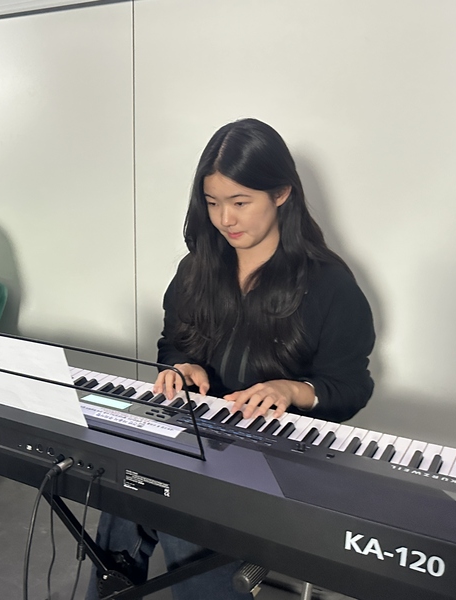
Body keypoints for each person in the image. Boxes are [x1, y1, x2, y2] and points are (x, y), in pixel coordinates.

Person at [86, 119, 375, 600]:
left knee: (183, 514)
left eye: (240, 203)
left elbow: (350, 388)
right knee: (124, 489)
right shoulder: (197, 268)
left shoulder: (329, 285)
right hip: (200, 435)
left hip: (278, 453)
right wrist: (181, 367)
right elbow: (172, 344)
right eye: (213, 203)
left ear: (281, 193)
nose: (225, 219)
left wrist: (290, 389)